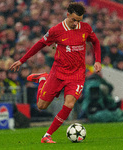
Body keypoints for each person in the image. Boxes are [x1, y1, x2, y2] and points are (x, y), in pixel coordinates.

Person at [10, 2, 101, 143]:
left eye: (79, 20)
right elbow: (40, 44)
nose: (76, 23)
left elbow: (95, 42)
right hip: (58, 73)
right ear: (68, 15)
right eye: (74, 20)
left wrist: (97, 60)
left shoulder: (85, 28)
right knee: (41, 106)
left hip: (77, 75)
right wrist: (22, 60)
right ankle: (42, 79)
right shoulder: (56, 30)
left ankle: (47, 135)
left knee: (69, 104)